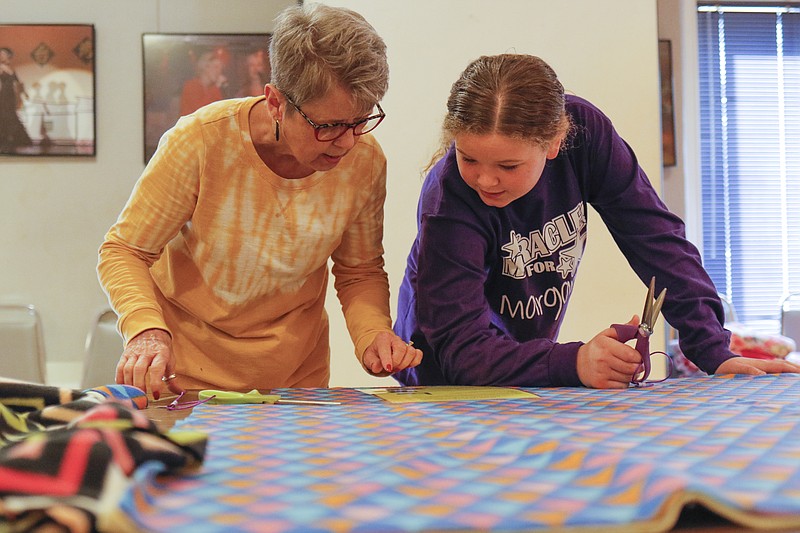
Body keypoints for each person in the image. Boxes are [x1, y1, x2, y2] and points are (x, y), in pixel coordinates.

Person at [393, 53, 799, 389]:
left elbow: (656, 239)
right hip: (443, 380)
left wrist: (714, 350)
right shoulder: (448, 200)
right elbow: (462, 351)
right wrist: (576, 362)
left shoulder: (586, 135)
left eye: (508, 165)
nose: (485, 179)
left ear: (555, 142)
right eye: (468, 158)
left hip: (523, 367)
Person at [98, 3, 422, 400]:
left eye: (360, 121)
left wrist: (373, 334)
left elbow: (359, 271)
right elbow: (125, 250)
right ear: (275, 102)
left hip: (296, 384)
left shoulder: (365, 161)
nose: (348, 141)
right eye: (329, 126)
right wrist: (146, 330)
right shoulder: (200, 141)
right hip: (185, 378)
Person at [0, 46, 32, 153]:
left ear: (8, 56)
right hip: (3, 94)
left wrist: (24, 93)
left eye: (3, 53)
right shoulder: (1, 67)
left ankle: (15, 138)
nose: (1, 55)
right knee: (4, 115)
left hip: (10, 95)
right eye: (0, 53)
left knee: (10, 115)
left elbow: (17, 81)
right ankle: (5, 138)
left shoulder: (10, 68)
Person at [179, 48, 228, 116]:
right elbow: (200, 111)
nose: (219, 72)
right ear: (205, 67)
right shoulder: (191, 86)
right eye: (216, 67)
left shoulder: (215, 89)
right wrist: (216, 87)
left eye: (220, 68)